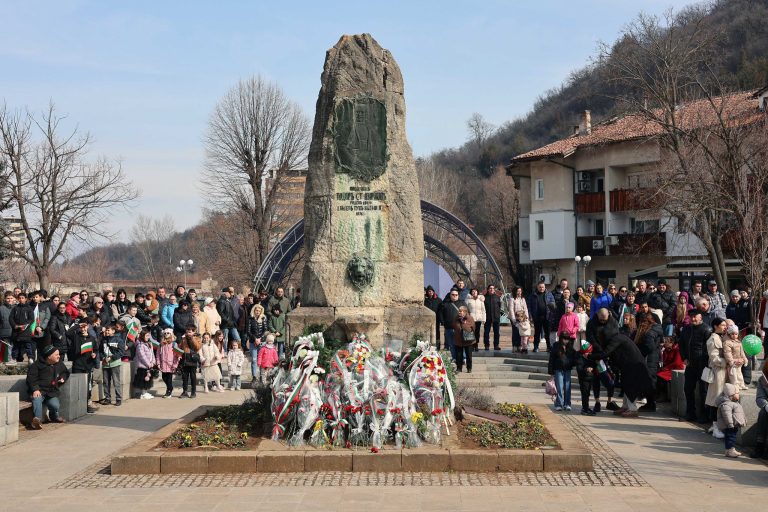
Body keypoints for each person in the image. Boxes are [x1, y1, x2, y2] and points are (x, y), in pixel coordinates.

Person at [680, 310, 713, 423]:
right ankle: (690, 413)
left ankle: (704, 415)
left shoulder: (707, 329)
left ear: (701, 317)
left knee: (703, 390)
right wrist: (684, 358)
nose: (693, 319)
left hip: (703, 364)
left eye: (695, 317)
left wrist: (705, 362)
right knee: (688, 388)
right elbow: (682, 344)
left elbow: (709, 349)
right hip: (690, 364)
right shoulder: (686, 329)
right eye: (691, 317)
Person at [26, 345, 69, 429]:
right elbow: (31, 379)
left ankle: (54, 417)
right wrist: (35, 389)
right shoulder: (36, 365)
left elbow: (65, 372)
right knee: (37, 399)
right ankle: (37, 420)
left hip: (51, 392)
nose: (59, 356)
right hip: (40, 391)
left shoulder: (59, 363)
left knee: (55, 405)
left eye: (59, 354)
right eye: (56, 355)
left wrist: (63, 378)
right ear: (49, 356)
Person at [704, 318, 728, 438]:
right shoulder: (713, 339)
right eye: (722, 325)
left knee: (717, 399)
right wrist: (727, 362)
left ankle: (715, 426)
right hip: (717, 372)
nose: (725, 327)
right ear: (715, 326)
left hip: (722, 372)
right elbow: (714, 358)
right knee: (716, 400)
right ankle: (716, 427)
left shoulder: (720, 337)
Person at [634, 312, 663, 412]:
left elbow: (649, 346)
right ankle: (650, 403)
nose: (640, 324)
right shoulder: (654, 329)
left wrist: (641, 353)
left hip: (650, 359)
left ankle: (651, 404)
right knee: (650, 381)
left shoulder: (650, 332)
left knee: (650, 381)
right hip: (652, 357)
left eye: (642, 322)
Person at [70, 320, 98, 413]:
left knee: (87, 385)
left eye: (84, 327)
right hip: (78, 365)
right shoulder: (76, 336)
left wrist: (94, 355)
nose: (83, 328)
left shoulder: (92, 338)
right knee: (77, 386)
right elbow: (67, 332)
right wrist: (78, 325)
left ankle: (87, 402)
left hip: (88, 365)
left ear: (88, 327)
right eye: (82, 327)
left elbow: (96, 350)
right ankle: (77, 406)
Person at [716, 383, 747, 458]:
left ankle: (729, 450)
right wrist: (730, 424)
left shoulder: (733, 403)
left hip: (733, 425)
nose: (738, 395)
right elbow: (727, 415)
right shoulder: (727, 404)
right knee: (731, 438)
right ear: (731, 394)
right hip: (730, 426)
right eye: (737, 393)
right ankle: (730, 450)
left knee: (731, 437)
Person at [99, 323, 125, 406]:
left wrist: (112, 357)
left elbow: (121, 352)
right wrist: (103, 357)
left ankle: (118, 399)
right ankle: (107, 398)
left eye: (108, 330)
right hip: (105, 364)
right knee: (106, 382)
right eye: (106, 330)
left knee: (116, 382)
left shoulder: (118, 340)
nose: (107, 332)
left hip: (115, 364)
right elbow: (100, 351)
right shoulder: (103, 340)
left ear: (113, 331)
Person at [548, 333, 575, 411]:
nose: (566, 341)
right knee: (559, 387)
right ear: (561, 338)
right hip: (558, 369)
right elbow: (551, 359)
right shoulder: (556, 345)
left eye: (567, 339)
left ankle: (567, 404)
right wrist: (551, 372)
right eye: (564, 339)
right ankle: (559, 404)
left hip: (567, 369)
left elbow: (574, 358)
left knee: (567, 388)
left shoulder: (570, 346)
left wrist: (572, 364)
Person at [527, 282, 555, 352]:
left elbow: (553, 303)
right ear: (537, 287)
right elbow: (529, 306)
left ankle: (549, 347)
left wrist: (552, 309)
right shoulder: (533, 295)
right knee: (537, 333)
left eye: (542, 287)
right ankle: (536, 347)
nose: (541, 288)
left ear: (545, 287)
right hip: (537, 317)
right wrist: (530, 315)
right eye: (540, 287)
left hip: (547, 317)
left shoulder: (549, 294)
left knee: (547, 333)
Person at [657, 337, 684, 403]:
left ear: (671, 343)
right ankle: (657, 394)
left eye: (666, 342)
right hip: (668, 369)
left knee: (660, 376)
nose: (664, 343)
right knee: (656, 373)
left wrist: (665, 368)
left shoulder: (676, 350)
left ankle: (664, 396)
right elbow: (664, 361)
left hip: (675, 369)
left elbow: (677, 363)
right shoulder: (665, 350)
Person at [10, 292, 34, 363]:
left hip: (26, 331)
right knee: (16, 346)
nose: (21, 299)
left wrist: (25, 325)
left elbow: (31, 319)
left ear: (26, 299)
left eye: (22, 298)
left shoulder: (29, 308)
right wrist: (15, 326)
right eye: (19, 298)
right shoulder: (15, 308)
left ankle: (30, 358)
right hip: (17, 331)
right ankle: (13, 358)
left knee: (28, 346)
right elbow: (11, 318)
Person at [442, 288, 466, 360]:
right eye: (453, 295)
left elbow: (467, 314)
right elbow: (441, 314)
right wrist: (444, 323)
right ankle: (454, 358)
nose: (454, 296)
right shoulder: (445, 304)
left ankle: (463, 358)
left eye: (456, 295)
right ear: (450, 295)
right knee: (452, 345)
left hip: (460, 328)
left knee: (462, 344)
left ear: (458, 295)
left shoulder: (462, 303)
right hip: (449, 328)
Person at [156, 328, 180, 398]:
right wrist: (158, 363)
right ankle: (170, 387)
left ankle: (169, 391)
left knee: (169, 378)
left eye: (168, 333)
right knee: (164, 377)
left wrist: (175, 365)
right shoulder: (161, 344)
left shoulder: (174, 344)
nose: (166, 334)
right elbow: (158, 355)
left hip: (170, 364)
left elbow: (177, 356)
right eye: (165, 333)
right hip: (163, 364)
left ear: (171, 334)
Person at [134, 329, 157, 400]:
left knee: (148, 380)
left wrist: (153, 361)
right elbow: (142, 356)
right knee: (143, 381)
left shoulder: (149, 343)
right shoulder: (140, 345)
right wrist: (148, 364)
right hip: (143, 366)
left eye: (149, 335)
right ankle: (143, 393)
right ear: (142, 336)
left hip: (149, 366)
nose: (148, 337)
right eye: (146, 335)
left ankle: (146, 392)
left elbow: (152, 353)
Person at [723, 324, 748, 390]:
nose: (734, 335)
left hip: (739, 362)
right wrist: (731, 362)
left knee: (739, 375)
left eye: (736, 334)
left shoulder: (739, 342)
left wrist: (745, 359)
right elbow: (727, 353)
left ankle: (741, 385)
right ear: (729, 334)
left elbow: (742, 352)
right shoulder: (727, 342)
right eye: (732, 334)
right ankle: (736, 386)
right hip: (733, 363)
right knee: (733, 376)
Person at [752, 361, 768, 458]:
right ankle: (759, 445)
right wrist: (766, 405)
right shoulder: (762, 380)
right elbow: (759, 398)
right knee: (763, 413)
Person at [248, 303, 268, 382]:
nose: (257, 312)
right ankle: (254, 377)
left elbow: (265, 330)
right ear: (254, 310)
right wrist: (255, 338)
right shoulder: (250, 318)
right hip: (253, 341)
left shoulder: (263, 318)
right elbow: (248, 331)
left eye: (259, 311)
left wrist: (260, 338)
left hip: (261, 341)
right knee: (253, 359)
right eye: (256, 310)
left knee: (261, 359)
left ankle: (261, 376)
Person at [452, 306, 475, 373]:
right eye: (459, 311)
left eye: (460, 311)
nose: (459, 312)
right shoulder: (456, 318)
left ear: (465, 312)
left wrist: (464, 325)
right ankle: (459, 368)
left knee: (468, 355)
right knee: (459, 355)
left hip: (468, 340)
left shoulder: (470, 318)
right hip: (458, 339)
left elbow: (473, 327)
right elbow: (453, 325)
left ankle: (469, 368)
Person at [178, 333, 201, 398]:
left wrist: (192, 338)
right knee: (185, 377)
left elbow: (198, 347)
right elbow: (180, 347)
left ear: (193, 331)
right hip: (185, 360)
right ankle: (185, 391)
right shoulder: (184, 339)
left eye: (191, 331)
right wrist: (181, 341)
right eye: (188, 330)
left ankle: (193, 392)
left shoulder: (197, 338)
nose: (189, 332)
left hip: (193, 360)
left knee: (193, 377)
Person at [508, 286, 529, 352]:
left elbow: (525, 308)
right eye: (518, 291)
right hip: (515, 317)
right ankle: (514, 346)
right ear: (515, 291)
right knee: (515, 332)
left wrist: (527, 317)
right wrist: (513, 319)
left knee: (521, 332)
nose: (519, 292)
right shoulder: (512, 298)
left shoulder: (522, 298)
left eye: (520, 291)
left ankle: (520, 346)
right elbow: (511, 309)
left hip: (522, 317)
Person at [483, 285, 501, 351]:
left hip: (496, 317)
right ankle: (486, 345)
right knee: (486, 332)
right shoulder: (484, 298)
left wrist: (498, 315)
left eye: (493, 288)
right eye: (490, 288)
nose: (492, 289)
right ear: (488, 289)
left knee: (496, 332)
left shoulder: (497, 297)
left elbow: (499, 307)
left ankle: (496, 345)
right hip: (487, 317)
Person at [0, 292, 13, 363]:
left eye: (11, 298)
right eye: (8, 298)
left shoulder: (15, 308)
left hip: (15, 333)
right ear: (5, 299)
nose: (9, 300)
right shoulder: (1, 308)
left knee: (13, 351)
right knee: (6, 354)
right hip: (4, 333)